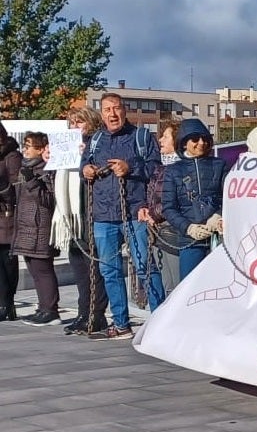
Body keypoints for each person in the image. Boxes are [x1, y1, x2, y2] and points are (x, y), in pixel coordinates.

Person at [82, 92, 163, 340]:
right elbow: (83, 165)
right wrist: (85, 170)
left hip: (134, 211)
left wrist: (131, 168)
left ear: (124, 110)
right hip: (104, 214)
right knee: (109, 270)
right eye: (107, 110)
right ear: (102, 113)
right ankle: (121, 324)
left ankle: (161, 321)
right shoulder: (95, 139)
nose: (112, 114)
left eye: (116, 108)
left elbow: (156, 168)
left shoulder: (141, 137)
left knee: (144, 267)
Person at [57, 107, 109, 335]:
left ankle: (96, 315)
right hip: (72, 216)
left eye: (79, 122)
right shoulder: (66, 146)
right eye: (71, 122)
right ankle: (83, 312)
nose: (74, 126)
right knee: (78, 266)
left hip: (91, 213)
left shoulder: (97, 144)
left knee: (94, 267)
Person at [163, 119, 227, 282]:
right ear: (184, 143)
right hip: (189, 242)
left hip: (219, 239)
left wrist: (219, 215)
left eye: (205, 139)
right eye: (195, 139)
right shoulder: (173, 171)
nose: (201, 143)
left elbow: (229, 196)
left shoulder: (221, 165)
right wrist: (188, 227)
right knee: (189, 290)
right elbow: (169, 208)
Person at [14, 133, 60, 325]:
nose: (25, 150)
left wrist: (33, 181)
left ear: (41, 149)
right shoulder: (27, 168)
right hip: (26, 227)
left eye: (29, 146)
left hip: (40, 226)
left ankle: (50, 309)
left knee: (43, 269)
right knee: (34, 268)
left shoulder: (47, 169)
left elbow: (49, 199)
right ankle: (42, 307)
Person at [141, 118, 181, 296]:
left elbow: (171, 199)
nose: (160, 141)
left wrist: (154, 214)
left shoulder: (180, 168)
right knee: (167, 283)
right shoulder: (160, 166)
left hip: (172, 231)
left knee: (176, 284)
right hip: (159, 229)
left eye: (165, 137)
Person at [0, 123, 21, 322]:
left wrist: (2, 189)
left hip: (7, 217)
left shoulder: (12, 157)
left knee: (7, 264)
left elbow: (16, 188)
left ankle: (7, 304)